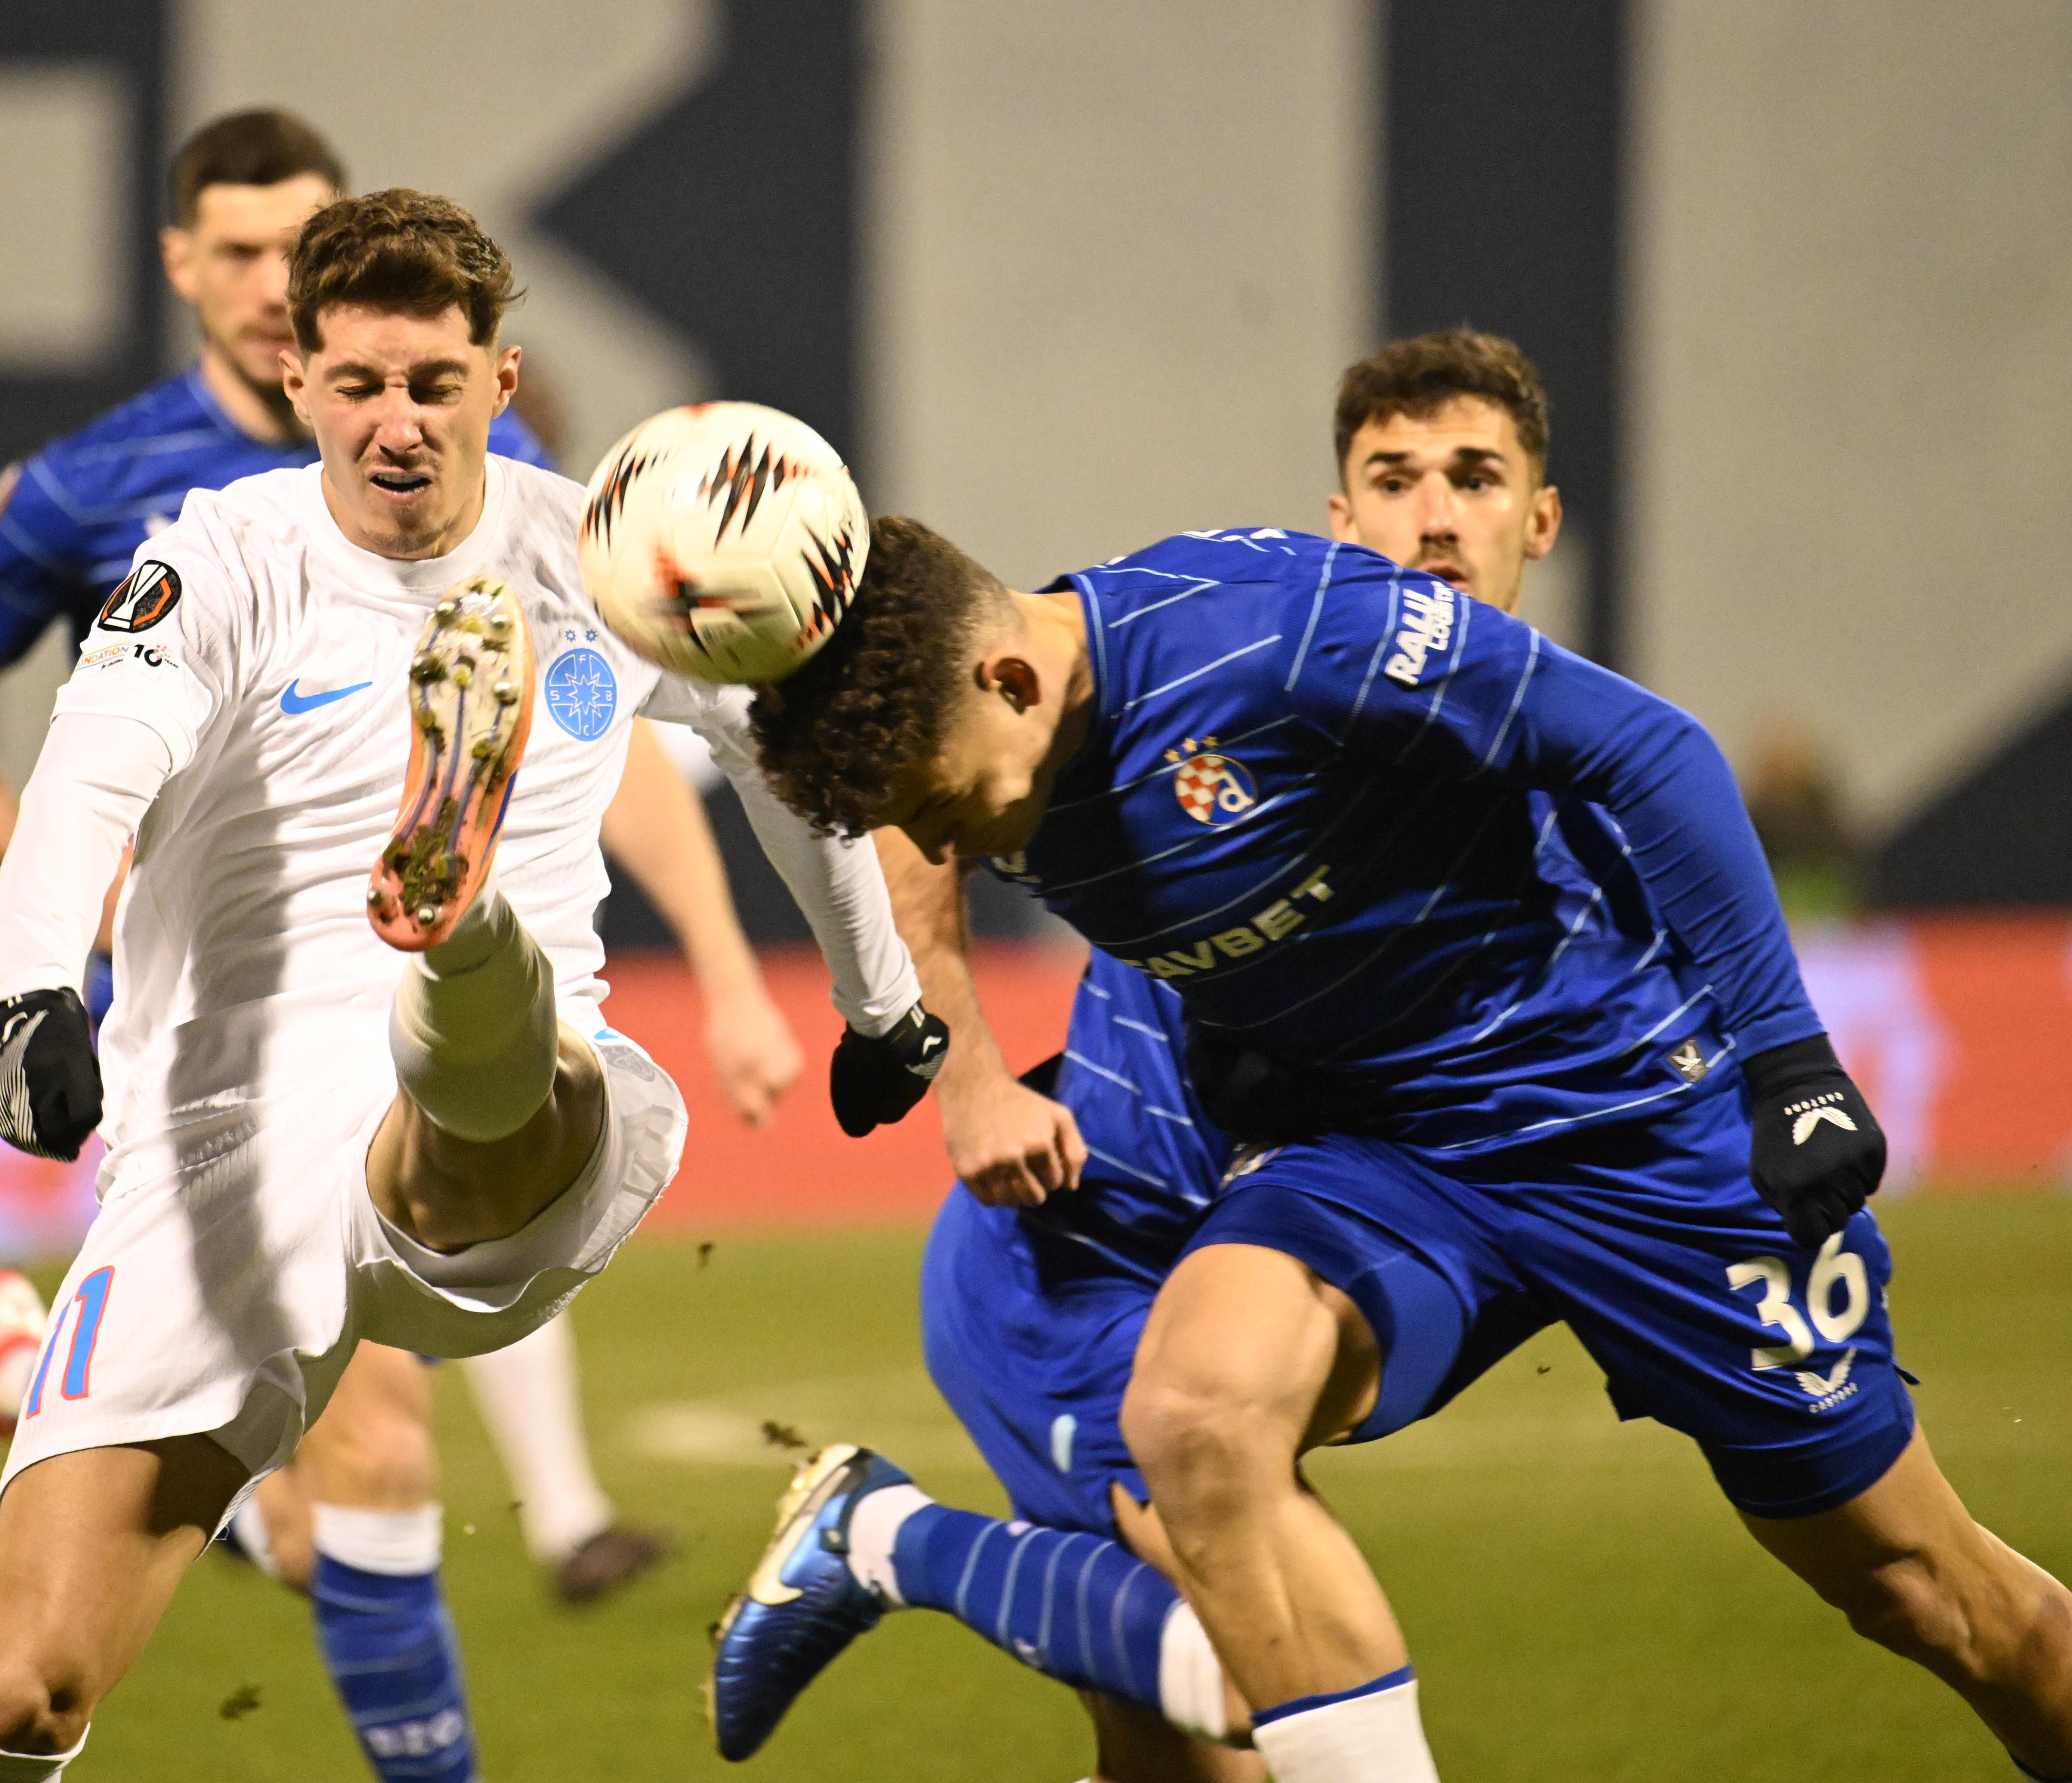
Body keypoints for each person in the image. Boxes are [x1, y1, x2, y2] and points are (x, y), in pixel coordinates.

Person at [715, 328, 2072, 1782]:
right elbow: (900, 826)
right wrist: (933, 1043)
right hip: (1363, 1165)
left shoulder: (1286, 639)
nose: (943, 842)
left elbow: (1657, 749)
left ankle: (886, 1537)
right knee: (1196, 1426)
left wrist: (1788, 1062)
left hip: (1622, 1137)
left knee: (1924, 1591)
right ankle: (891, 1540)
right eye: (1392, 477)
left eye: (1475, 478)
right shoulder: (999, 729)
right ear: (1337, 502)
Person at [0, 186, 939, 1783]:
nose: (398, 423)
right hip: (218, 1152)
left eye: (435, 384)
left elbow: (780, 760)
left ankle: (451, 921)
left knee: (466, 1099)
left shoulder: (594, 554)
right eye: (362, 385)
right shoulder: (217, 560)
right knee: (28, 1689)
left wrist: (883, 1002)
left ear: (498, 384)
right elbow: (85, 781)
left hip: (510, 1125)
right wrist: (37, 992)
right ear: (299, 380)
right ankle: (448, 934)